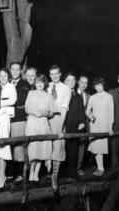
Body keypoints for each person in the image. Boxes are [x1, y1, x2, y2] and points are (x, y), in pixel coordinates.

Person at [25, 74, 54, 182]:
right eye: (37, 82)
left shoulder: (48, 96)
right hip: (32, 123)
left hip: (43, 124)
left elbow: (51, 113)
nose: (39, 84)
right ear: (35, 84)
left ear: (44, 84)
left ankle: (36, 173)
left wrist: (44, 113)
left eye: (41, 82)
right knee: (33, 149)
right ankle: (31, 172)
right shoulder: (31, 93)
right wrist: (35, 112)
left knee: (42, 149)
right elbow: (27, 108)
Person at [47, 65, 71, 193]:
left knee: (58, 146)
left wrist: (60, 127)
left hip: (58, 119)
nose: (54, 76)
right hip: (45, 119)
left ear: (60, 74)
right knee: (45, 145)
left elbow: (64, 108)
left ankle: (54, 176)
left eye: (56, 73)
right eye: (52, 74)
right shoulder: (46, 86)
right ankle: (41, 174)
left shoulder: (66, 88)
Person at [85, 77, 114, 176]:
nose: (98, 87)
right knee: (96, 148)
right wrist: (91, 116)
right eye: (96, 86)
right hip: (95, 125)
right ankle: (100, 168)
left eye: (100, 85)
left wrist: (110, 127)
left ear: (103, 85)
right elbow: (87, 111)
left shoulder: (109, 97)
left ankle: (101, 168)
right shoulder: (92, 97)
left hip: (104, 125)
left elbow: (111, 113)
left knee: (101, 148)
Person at [0, 68, 17, 189]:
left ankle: (2, 177)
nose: (2, 77)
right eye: (0, 75)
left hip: (5, 117)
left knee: (3, 144)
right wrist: (0, 101)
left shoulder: (10, 86)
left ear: (8, 77)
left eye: (5, 76)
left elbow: (13, 100)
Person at [9, 62, 31, 182]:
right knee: (9, 146)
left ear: (21, 71)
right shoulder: (6, 83)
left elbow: (21, 100)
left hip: (19, 119)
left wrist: (8, 101)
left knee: (19, 147)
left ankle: (21, 174)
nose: (15, 72)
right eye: (13, 69)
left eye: (18, 69)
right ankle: (11, 173)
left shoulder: (25, 84)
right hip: (7, 119)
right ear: (10, 70)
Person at [64, 73, 86, 178]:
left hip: (75, 127)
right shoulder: (62, 93)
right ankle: (60, 174)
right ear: (65, 82)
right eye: (69, 80)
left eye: (73, 80)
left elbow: (81, 111)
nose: (71, 82)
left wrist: (82, 122)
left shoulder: (78, 96)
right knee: (63, 150)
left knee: (73, 150)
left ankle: (72, 174)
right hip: (64, 126)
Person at [77, 75, 90, 176]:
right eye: (82, 82)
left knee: (81, 148)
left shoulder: (89, 97)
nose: (83, 85)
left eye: (85, 83)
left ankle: (79, 168)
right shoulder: (70, 93)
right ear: (78, 82)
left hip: (83, 127)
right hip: (72, 126)